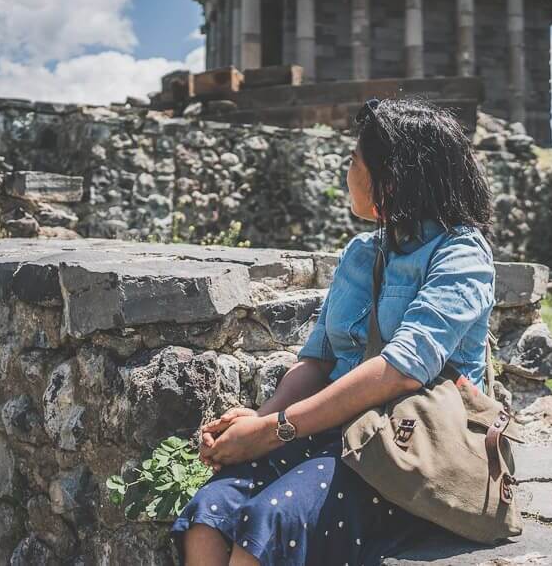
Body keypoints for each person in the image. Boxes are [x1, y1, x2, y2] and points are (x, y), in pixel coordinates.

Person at [170, 98, 497, 565]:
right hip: (330, 430)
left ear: (390, 178)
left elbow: (400, 370)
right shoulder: (363, 253)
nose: (347, 172)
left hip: (405, 446)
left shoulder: (461, 255)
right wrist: (258, 423)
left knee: (271, 521)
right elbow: (318, 358)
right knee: (210, 512)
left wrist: (274, 430)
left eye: (354, 161)